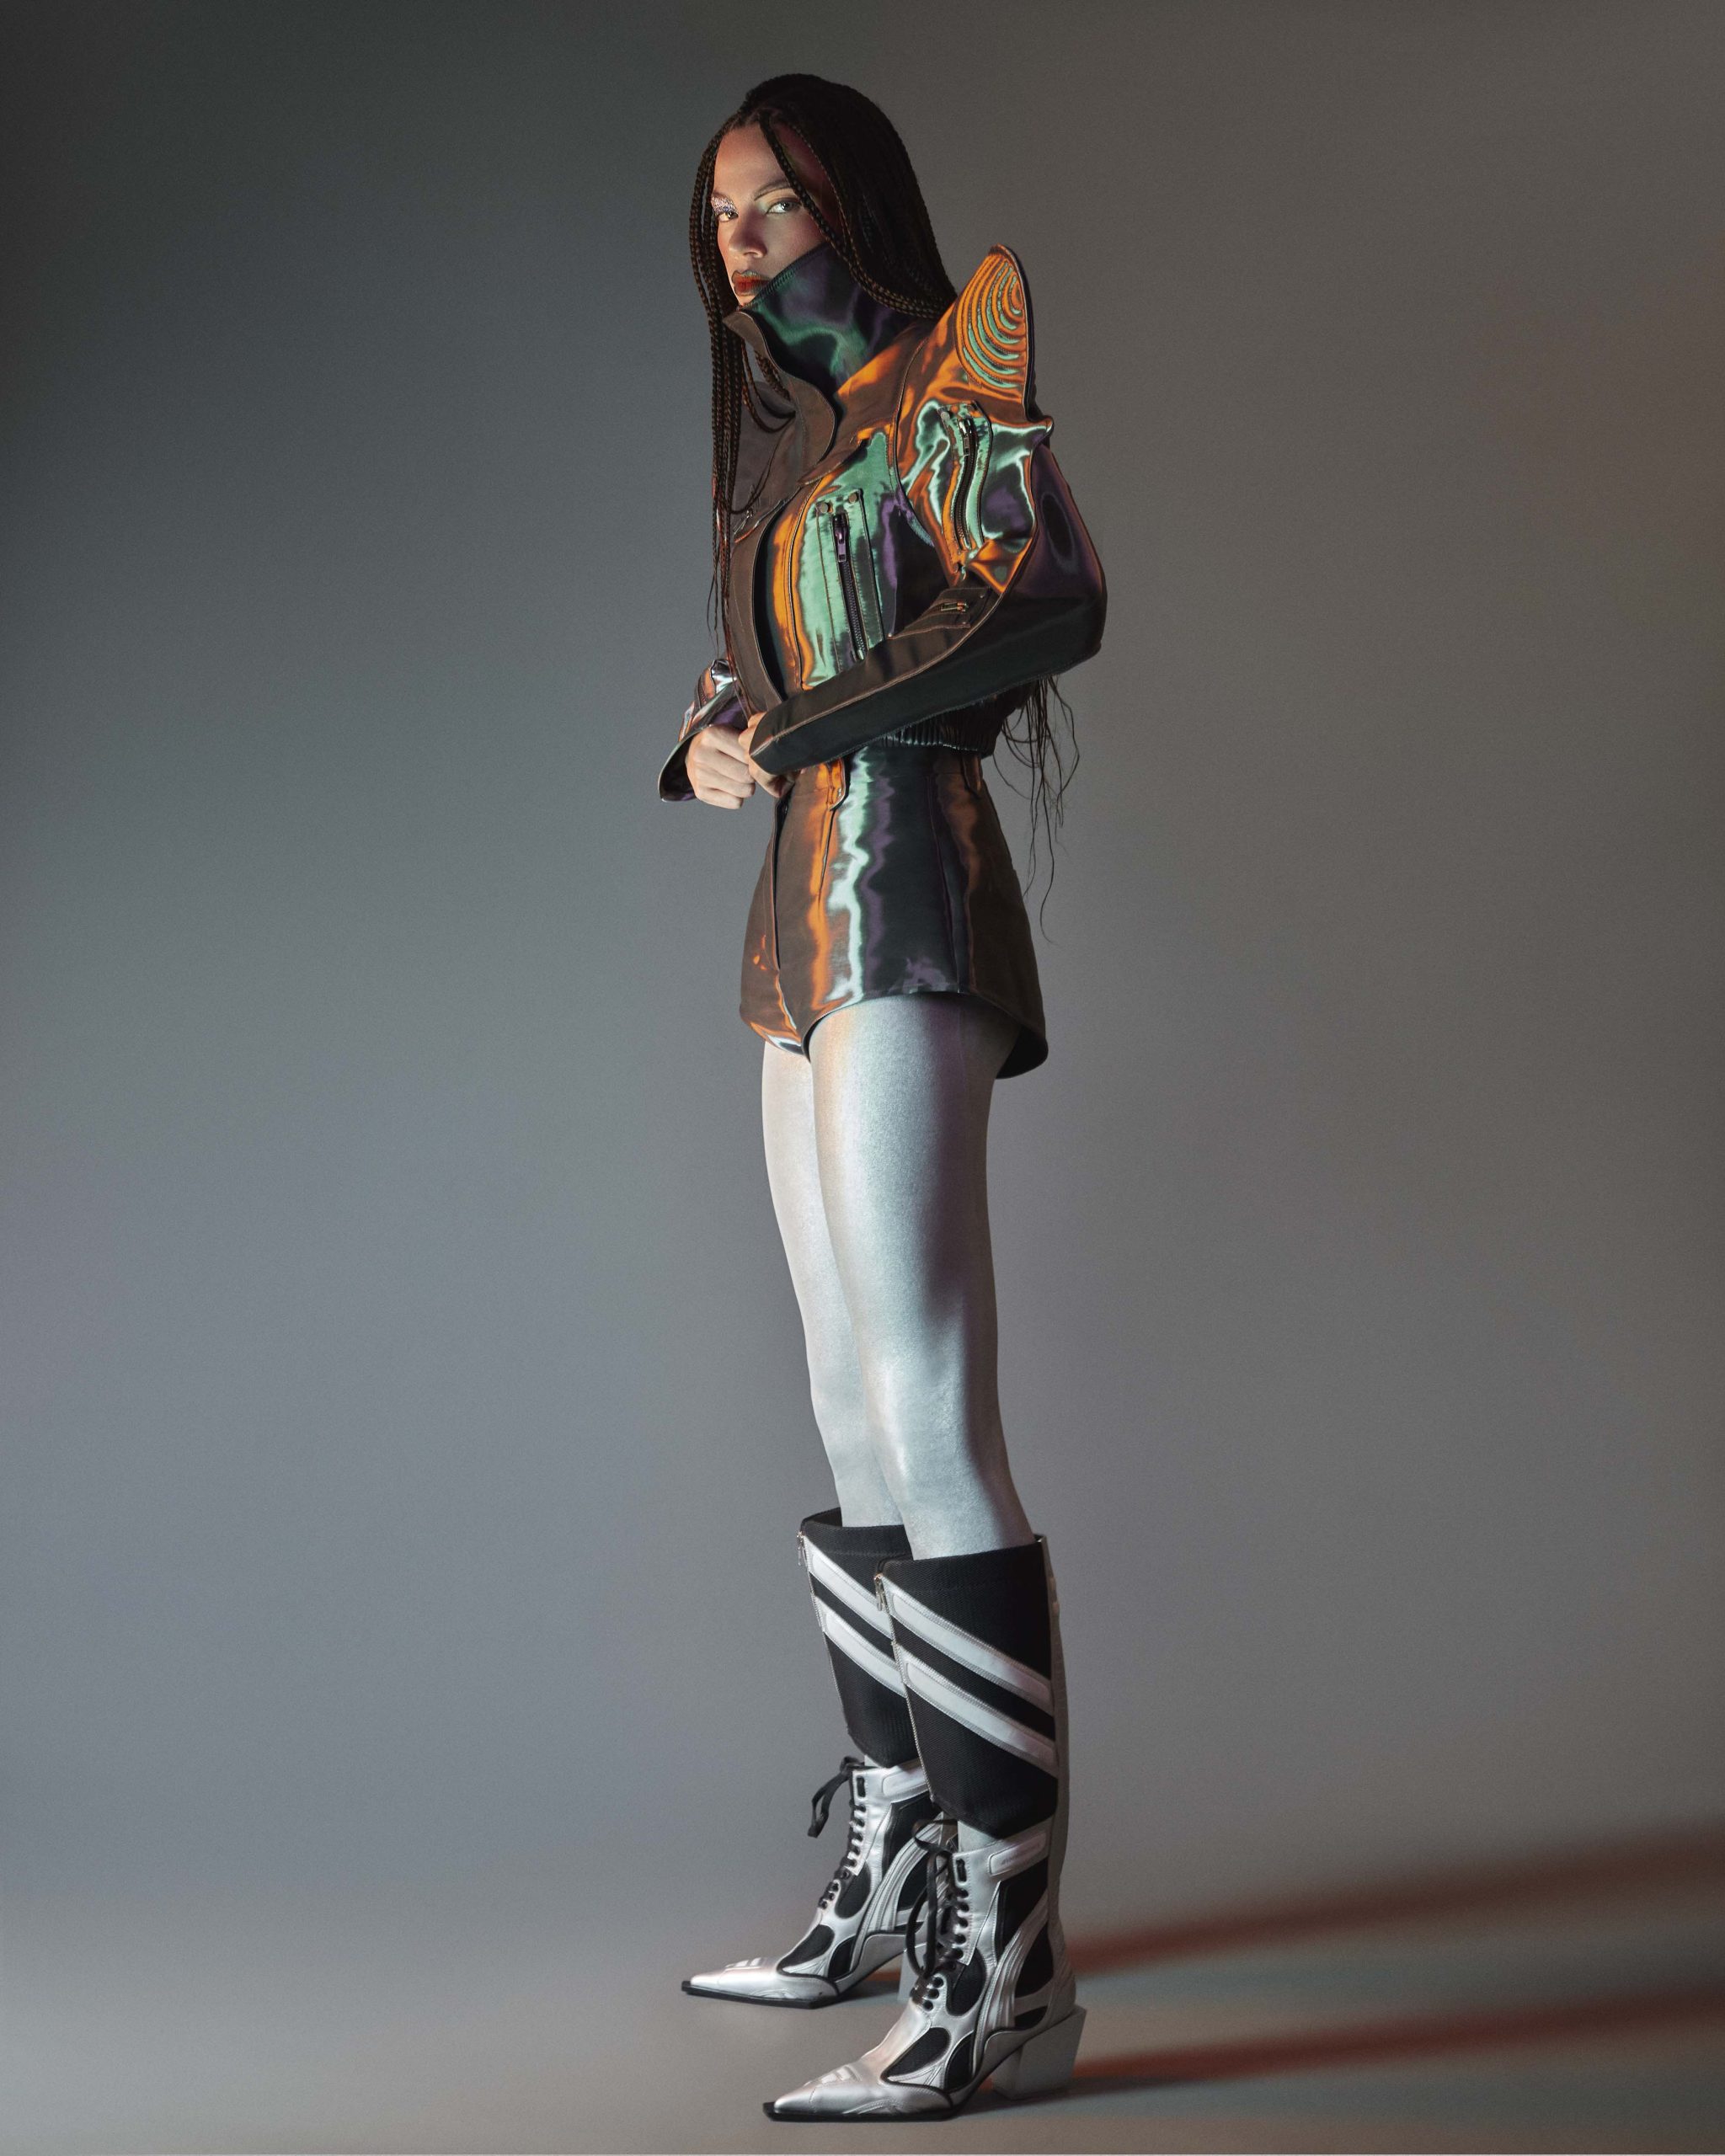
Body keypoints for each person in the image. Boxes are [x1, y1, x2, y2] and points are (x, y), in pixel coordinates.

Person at [657, 73, 1106, 2122]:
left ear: (852, 195)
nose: (745, 239)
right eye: (721, 214)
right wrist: (707, 742)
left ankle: (1008, 1971)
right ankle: (902, 1871)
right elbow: (759, 682)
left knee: (928, 1401)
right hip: (795, 917)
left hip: (908, 881)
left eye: (775, 200)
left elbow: (1046, 592)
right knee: (847, 1394)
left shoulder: (950, 359)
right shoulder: (788, 434)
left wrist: (812, 723)